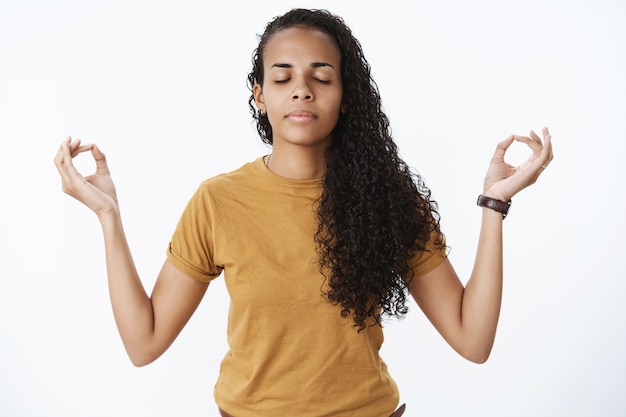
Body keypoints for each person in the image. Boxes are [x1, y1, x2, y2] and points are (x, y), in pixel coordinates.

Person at [54, 8, 553, 417]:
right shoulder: (217, 201)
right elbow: (144, 343)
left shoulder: (388, 196)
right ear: (260, 95)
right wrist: (108, 217)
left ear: (345, 95)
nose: (302, 89)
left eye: (322, 76)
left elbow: (473, 340)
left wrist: (494, 204)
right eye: (283, 76)